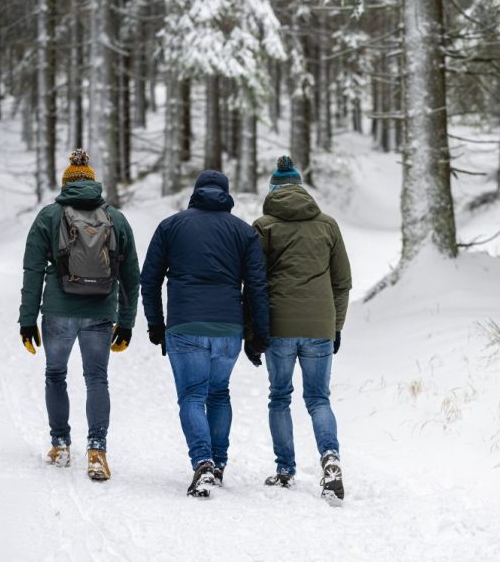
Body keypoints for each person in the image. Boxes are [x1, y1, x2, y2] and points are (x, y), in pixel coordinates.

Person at [140, 170, 269, 497]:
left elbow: (150, 280)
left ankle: (202, 461)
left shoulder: (171, 226)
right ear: (226, 194)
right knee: (219, 393)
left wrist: (156, 324)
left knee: (192, 396)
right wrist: (258, 335)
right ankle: (219, 462)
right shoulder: (243, 231)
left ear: (196, 193)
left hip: (185, 325)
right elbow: (257, 287)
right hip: (228, 328)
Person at [18, 148, 140, 481]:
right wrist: (126, 323)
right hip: (101, 310)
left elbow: (32, 269)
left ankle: (59, 445)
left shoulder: (48, 216)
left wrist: (28, 319)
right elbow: (131, 275)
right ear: (93, 182)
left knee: (55, 375)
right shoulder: (116, 217)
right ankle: (97, 451)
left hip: (58, 310)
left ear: (66, 182)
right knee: (96, 378)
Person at [253, 155, 352, 506]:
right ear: (300, 187)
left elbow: (254, 283)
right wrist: (335, 326)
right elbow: (342, 283)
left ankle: (285, 469)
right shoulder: (327, 225)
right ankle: (330, 459)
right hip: (319, 326)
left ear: (273, 190)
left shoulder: (263, 226)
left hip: (279, 325)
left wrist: (255, 329)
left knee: (280, 396)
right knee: (318, 399)